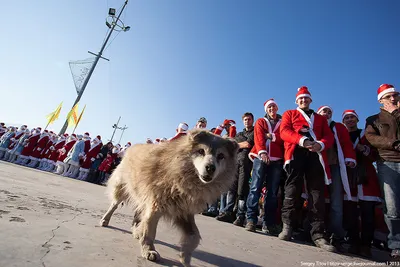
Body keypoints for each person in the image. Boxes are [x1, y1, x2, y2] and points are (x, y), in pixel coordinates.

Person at [279, 86, 336, 252]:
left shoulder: (320, 118)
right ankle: (288, 226)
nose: (303, 101)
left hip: (316, 156)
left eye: (306, 98)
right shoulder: (289, 114)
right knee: (292, 189)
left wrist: (321, 144)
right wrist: (302, 140)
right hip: (296, 151)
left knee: (316, 193)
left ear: (311, 100)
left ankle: (317, 234)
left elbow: (329, 136)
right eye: (300, 99)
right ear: (297, 101)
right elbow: (284, 131)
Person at [365, 83, 400, 259]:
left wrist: (397, 114)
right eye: (389, 96)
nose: (393, 99)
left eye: (395, 95)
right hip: (388, 162)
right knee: (392, 206)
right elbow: (371, 137)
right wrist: (392, 144)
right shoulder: (374, 119)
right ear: (381, 100)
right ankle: (396, 245)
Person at [316, 105, 357, 251]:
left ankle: (336, 234)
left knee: (336, 201)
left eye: (329, 112)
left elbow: (346, 144)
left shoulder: (339, 127)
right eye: (323, 111)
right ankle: (315, 230)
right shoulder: (315, 124)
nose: (326, 113)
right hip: (318, 165)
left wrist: (350, 158)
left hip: (335, 166)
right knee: (316, 198)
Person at [342, 109, 381, 258]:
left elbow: (374, 155)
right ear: (343, 121)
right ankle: (353, 242)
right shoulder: (342, 135)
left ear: (357, 120)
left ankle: (366, 245)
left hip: (366, 177)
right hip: (348, 177)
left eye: (352, 117)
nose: (350, 120)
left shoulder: (366, 134)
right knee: (350, 213)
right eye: (347, 118)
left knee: (367, 214)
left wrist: (364, 149)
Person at [245, 99, 284, 235]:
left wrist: (272, 136)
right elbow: (258, 137)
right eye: (269, 107)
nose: (272, 109)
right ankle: (251, 219)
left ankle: (268, 223)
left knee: (272, 192)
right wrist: (262, 152)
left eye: (274, 106)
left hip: (276, 160)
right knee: (255, 187)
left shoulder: (282, 122)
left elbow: (283, 137)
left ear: (277, 108)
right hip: (260, 157)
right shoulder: (261, 121)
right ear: (266, 110)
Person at [216, 112, 254, 225]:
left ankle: (240, 215)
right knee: (232, 189)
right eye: (245, 120)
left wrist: (238, 144)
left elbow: (247, 144)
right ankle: (228, 212)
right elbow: (232, 145)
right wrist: (239, 144)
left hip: (247, 164)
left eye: (249, 119)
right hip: (235, 164)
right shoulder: (240, 134)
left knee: (242, 190)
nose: (247, 121)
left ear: (252, 120)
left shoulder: (255, 131)